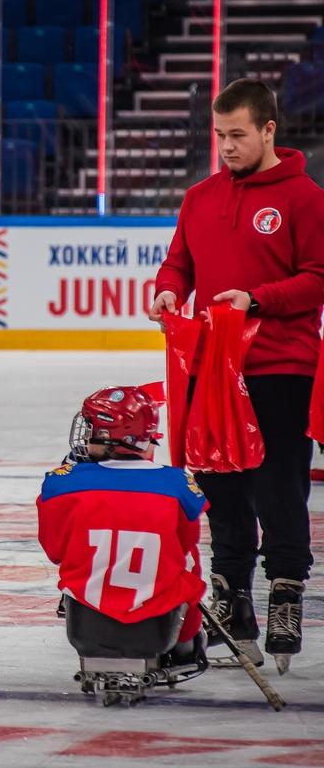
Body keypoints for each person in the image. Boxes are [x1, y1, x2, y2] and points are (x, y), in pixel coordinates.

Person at [148, 77, 324, 672]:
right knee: (220, 486)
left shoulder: (305, 198)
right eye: (220, 135)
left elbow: (318, 278)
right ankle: (230, 596)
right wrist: (169, 293)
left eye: (238, 135)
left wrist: (257, 298)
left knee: (277, 485)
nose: (225, 146)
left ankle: (285, 593)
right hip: (211, 367)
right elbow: (178, 264)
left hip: (281, 364)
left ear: (270, 130)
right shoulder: (199, 198)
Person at [37, 386, 208, 676]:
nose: (85, 435)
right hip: (157, 621)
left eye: (91, 428)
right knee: (188, 570)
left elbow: (55, 551)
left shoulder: (62, 483)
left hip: (87, 620)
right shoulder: (178, 484)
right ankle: (185, 645)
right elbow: (186, 554)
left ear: (106, 435)